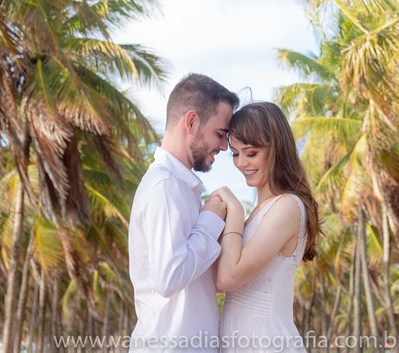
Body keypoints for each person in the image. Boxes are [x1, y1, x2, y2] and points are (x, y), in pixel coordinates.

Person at [129, 73, 240, 352]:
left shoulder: (178, 187)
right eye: (220, 134)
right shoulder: (165, 185)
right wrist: (211, 220)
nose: (225, 147)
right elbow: (170, 278)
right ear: (191, 121)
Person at [212, 102, 321, 353]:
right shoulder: (262, 211)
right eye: (235, 153)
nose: (241, 163)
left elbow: (229, 277)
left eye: (251, 153)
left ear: (277, 150)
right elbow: (218, 283)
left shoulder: (287, 206)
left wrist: (235, 213)